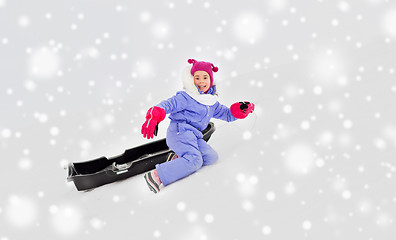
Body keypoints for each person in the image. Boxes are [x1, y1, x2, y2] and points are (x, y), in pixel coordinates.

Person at [141, 59, 255, 193]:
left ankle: (178, 158)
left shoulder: (211, 102)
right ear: (192, 79)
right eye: (197, 78)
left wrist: (240, 110)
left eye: (205, 77)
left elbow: (227, 114)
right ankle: (157, 175)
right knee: (194, 161)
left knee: (211, 157)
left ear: (211, 80)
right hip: (180, 132)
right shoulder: (186, 97)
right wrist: (154, 117)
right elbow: (167, 105)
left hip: (194, 136)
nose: (201, 81)